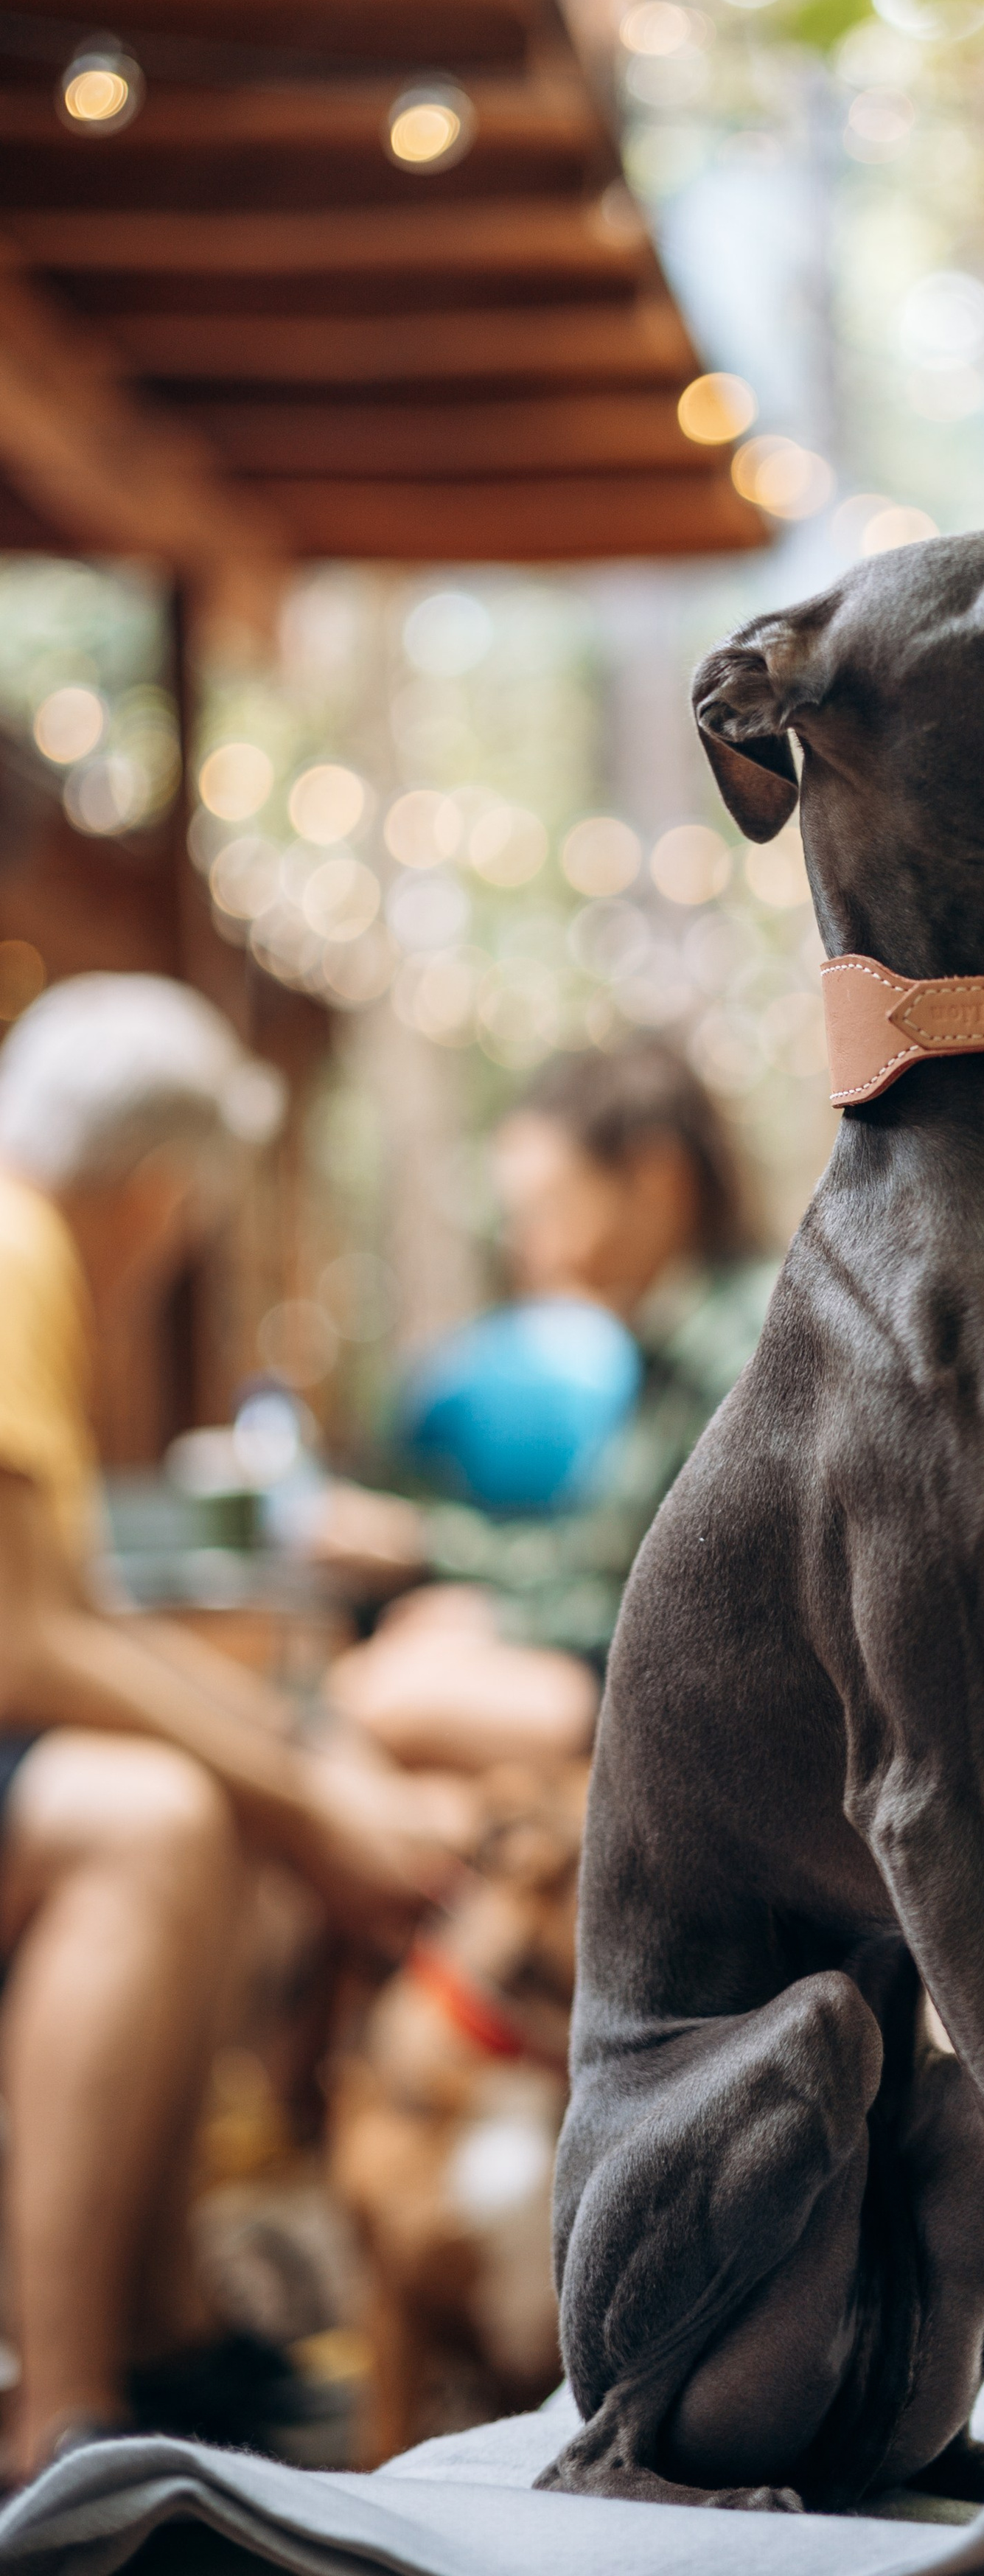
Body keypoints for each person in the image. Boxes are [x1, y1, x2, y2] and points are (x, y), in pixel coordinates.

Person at [0, 974, 467, 2483]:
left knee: (212, 1797)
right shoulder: (15, 1249)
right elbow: (24, 1647)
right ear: (156, 1184)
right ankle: (55, 2413)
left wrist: (293, 1760)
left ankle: (161, 2334)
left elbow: (70, 1620)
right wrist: (302, 1795)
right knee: (159, 1820)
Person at [315, 1042, 775, 1774]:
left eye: (548, 1208)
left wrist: (499, 1619)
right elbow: (608, 1559)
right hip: (648, 1665)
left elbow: (690, 1610)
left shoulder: (743, 1347)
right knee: (389, 1668)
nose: (528, 1247)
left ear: (656, 1182)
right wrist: (438, 1564)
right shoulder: (676, 1339)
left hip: (712, 1708)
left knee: (381, 1698)